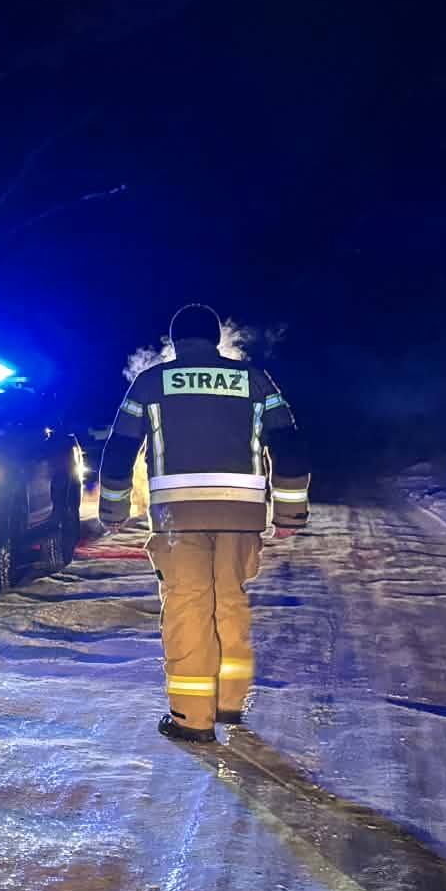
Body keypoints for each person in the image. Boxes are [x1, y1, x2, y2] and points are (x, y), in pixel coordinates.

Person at [97, 304, 310, 742]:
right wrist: (289, 512)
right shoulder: (254, 380)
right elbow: (289, 444)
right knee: (230, 603)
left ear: (175, 342)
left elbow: (119, 450)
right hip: (241, 518)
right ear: (217, 339)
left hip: (177, 519)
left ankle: (192, 718)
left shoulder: (151, 382)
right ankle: (229, 704)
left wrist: (113, 510)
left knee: (188, 607)